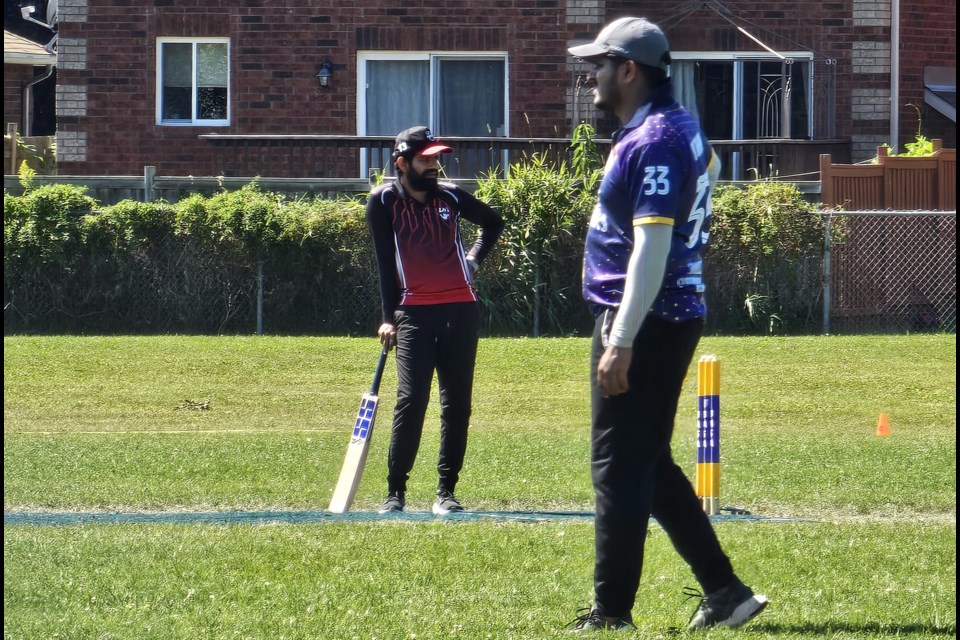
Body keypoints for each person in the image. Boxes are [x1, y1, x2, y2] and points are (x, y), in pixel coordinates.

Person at [566, 17, 769, 631]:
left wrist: (620, 338)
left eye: (600, 63)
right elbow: (705, 174)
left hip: (647, 317)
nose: (591, 74)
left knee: (617, 466)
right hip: (667, 313)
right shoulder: (678, 128)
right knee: (646, 461)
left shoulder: (651, 139)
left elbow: (651, 247)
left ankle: (611, 614)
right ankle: (726, 592)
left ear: (629, 70)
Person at [366, 125, 504, 515]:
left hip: (461, 310)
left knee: (457, 405)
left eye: (436, 158)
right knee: (411, 402)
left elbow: (494, 223)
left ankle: (446, 492)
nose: (434, 165)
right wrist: (387, 317)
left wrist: (474, 258)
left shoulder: (451, 197)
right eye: (425, 159)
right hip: (413, 314)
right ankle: (395, 493)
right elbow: (383, 264)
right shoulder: (384, 202)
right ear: (402, 162)